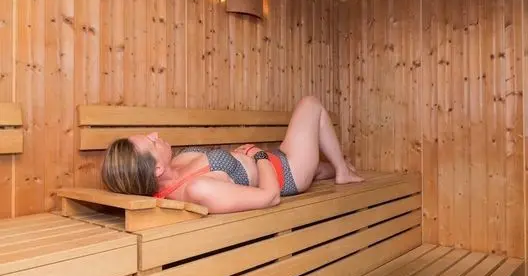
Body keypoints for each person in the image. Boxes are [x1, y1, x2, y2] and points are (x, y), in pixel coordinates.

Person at [100, 96, 363, 214]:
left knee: (319, 169)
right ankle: (342, 171)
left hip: (274, 160)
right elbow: (270, 197)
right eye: (150, 141)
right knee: (310, 104)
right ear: (156, 169)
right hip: (287, 173)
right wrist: (257, 155)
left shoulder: (174, 169)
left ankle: (341, 167)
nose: (155, 134)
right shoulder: (198, 189)